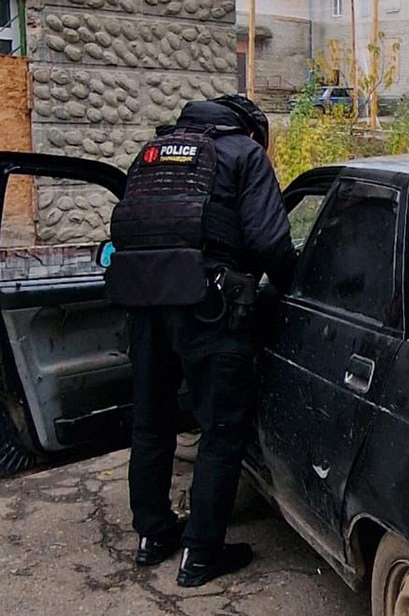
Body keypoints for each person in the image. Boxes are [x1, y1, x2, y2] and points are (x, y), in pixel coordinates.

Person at [105, 95, 296, 587]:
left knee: (151, 424)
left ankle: (152, 536)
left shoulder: (151, 153)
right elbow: (270, 241)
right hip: (209, 307)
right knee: (221, 429)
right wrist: (293, 283)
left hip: (142, 307)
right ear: (251, 130)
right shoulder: (243, 155)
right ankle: (202, 554)